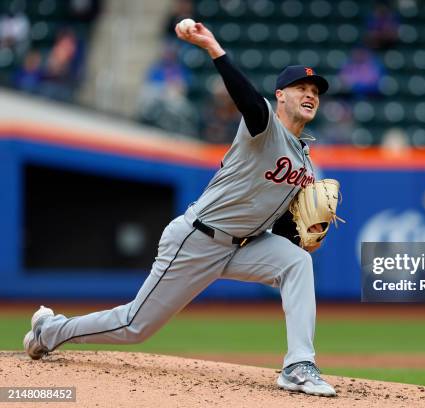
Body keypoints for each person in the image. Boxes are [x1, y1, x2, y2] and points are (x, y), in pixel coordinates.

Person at [23, 19, 337, 397]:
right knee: (134, 326)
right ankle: (51, 330)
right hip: (197, 239)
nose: (310, 94)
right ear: (280, 96)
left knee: (296, 263)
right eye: (300, 87)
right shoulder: (265, 127)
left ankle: (299, 365)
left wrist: (300, 236)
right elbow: (248, 100)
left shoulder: (304, 163)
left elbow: (282, 225)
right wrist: (214, 49)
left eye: (315, 90)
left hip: (245, 245)